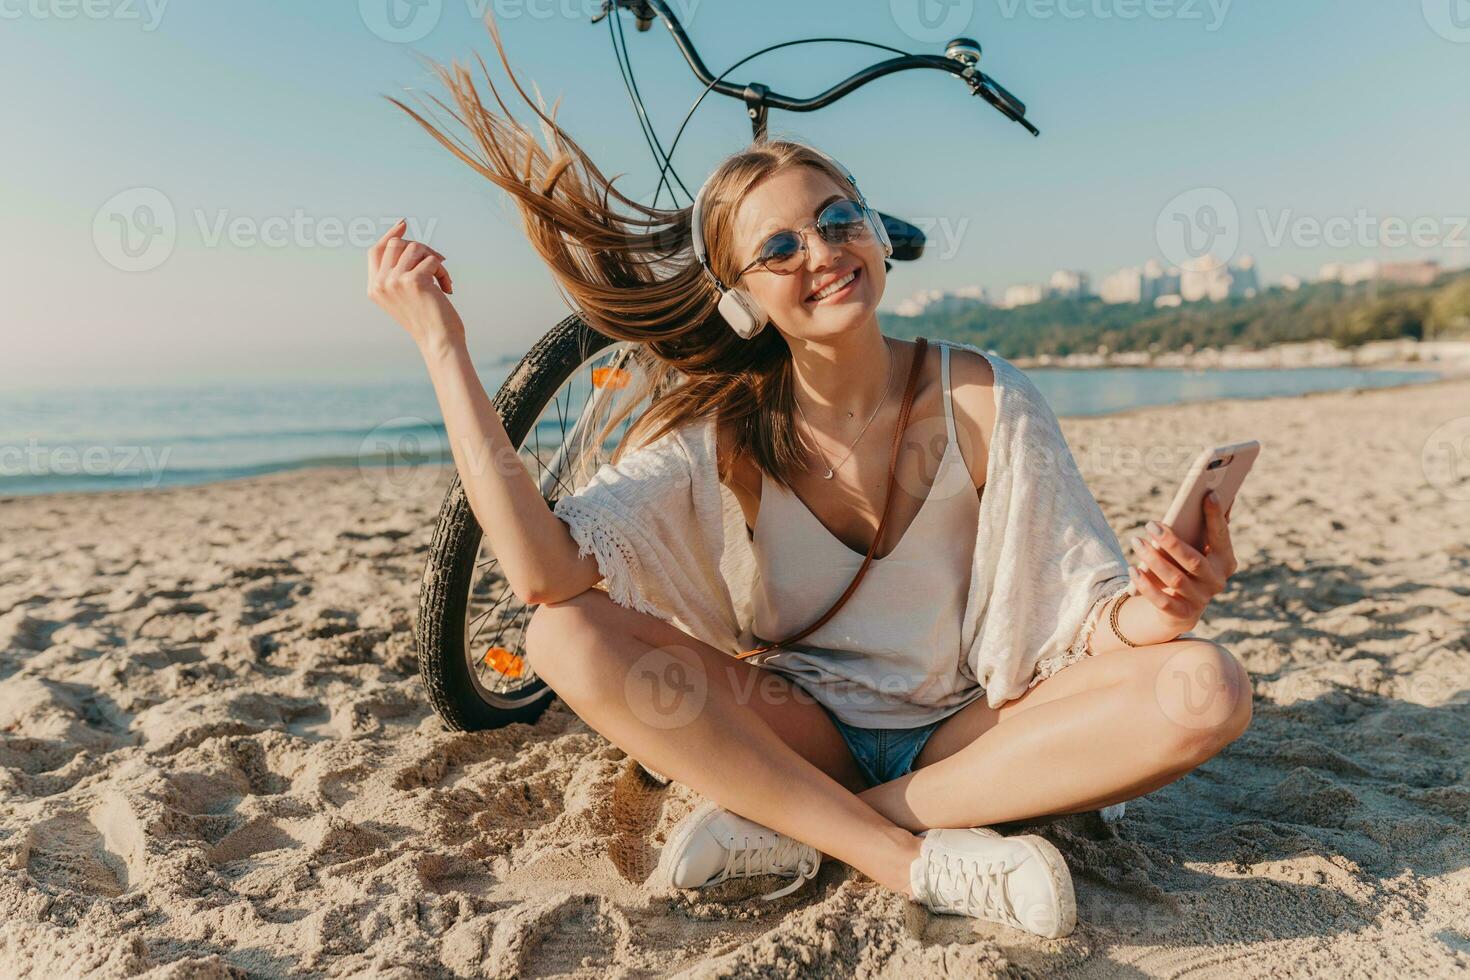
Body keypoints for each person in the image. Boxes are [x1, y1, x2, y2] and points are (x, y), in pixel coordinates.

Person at [366, 22, 1251, 939]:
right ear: (742, 295)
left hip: (972, 726)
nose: (823, 252)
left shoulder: (981, 394)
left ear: (874, 232)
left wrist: (1167, 605)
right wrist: (444, 348)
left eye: (837, 220)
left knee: (1207, 688)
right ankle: (903, 856)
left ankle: (817, 821)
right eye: (780, 248)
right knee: (559, 639)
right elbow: (545, 574)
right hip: (799, 723)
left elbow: (1088, 621)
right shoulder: (722, 431)